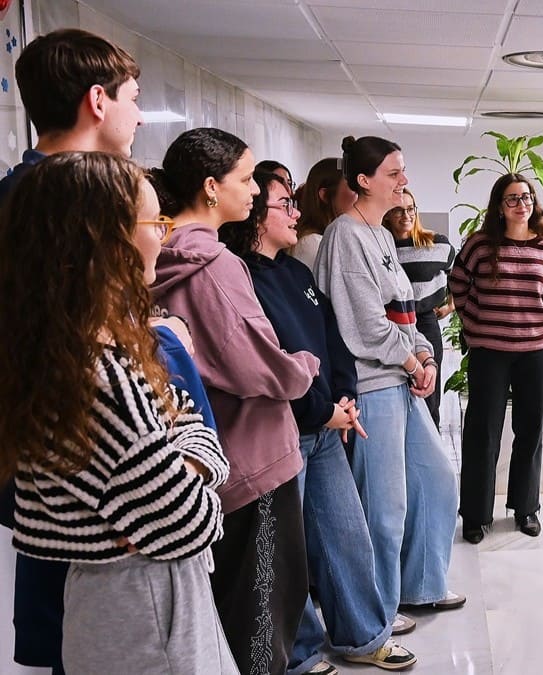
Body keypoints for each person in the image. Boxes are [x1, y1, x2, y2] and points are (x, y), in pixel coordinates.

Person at [0, 151, 236, 673]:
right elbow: (192, 523)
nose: (165, 235)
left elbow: (194, 432)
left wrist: (182, 464)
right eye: (155, 222)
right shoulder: (101, 377)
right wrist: (189, 471)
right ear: (102, 240)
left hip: (121, 599)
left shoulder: (63, 349)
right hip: (145, 611)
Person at [220, 171, 416, 672]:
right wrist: (321, 410)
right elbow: (268, 364)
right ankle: (301, 652)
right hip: (284, 432)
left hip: (328, 425)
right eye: (285, 204)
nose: (297, 213)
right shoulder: (240, 279)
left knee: (346, 536)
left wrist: (344, 398)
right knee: (289, 552)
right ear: (257, 216)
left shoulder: (295, 273)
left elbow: (331, 339)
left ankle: (363, 636)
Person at [150, 127, 321, 675]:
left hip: (217, 458)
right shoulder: (215, 265)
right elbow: (258, 366)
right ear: (209, 187)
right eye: (246, 179)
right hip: (256, 464)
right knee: (263, 623)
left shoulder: (161, 259)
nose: (254, 191)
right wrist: (305, 369)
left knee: (235, 612)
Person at [0, 27, 143, 675]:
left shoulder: (28, 189)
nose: (138, 114)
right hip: (76, 479)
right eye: (133, 98)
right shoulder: (49, 201)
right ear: (97, 100)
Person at [314, 135, 461, 637]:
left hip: (400, 376)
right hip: (373, 384)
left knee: (437, 479)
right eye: (395, 173)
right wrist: (410, 358)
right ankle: (377, 608)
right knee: (384, 505)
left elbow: (406, 310)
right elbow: (364, 324)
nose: (405, 181)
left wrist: (422, 353)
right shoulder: (345, 236)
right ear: (363, 180)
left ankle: (421, 584)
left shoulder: (378, 234)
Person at [448, 173, 543, 544]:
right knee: (483, 433)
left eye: (526, 197)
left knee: (530, 431)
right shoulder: (480, 245)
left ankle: (525, 508)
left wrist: (538, 317)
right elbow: (458, 285)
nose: (521, 205)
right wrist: (473, 322)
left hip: (536, 352)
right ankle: (475, 514)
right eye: (512, 199)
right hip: (489, 352)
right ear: (499, 206)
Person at [384, 187, 456, 428]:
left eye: (410, 209)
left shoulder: (437, 244)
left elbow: (459, 276)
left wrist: (450, 306)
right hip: (389, 321)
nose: (406, 215)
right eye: (398, 210)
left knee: (428, 388)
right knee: (398, 386)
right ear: (387, 213)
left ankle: (431, 443)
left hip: (425, 321)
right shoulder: (382, 246)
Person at [293, 157, 357, 272]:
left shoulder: (335, 237)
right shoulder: (312, 243)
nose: (359, 195)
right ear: (325, 195)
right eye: (353, 187)